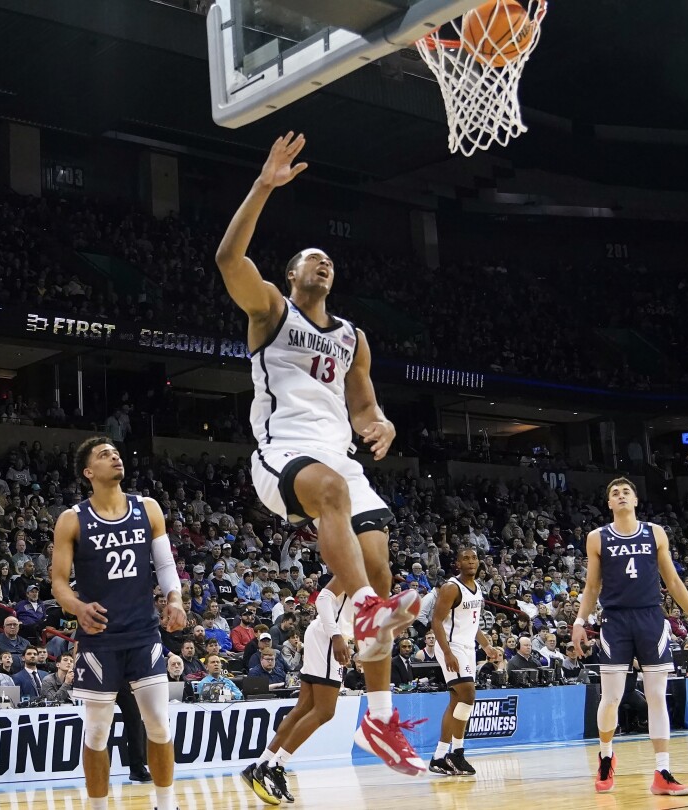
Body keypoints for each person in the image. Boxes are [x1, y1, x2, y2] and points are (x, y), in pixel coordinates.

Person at [215, 131, 423, 776]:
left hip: (340, 455)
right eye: (310, 257)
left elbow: (363, 404)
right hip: (285, 452)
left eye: (327, 258)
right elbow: (227, 257)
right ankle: (362, 610)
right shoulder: (271, 312)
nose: (321, 262)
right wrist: (264, 186)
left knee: (382, 559)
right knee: (335, 500)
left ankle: (383, 720)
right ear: (291, 275)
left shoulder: (354, 337)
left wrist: (380, 421)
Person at [50, 437, 187, 810]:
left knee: (158, 722)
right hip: (99, 640)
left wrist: (174, 599)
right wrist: (77, 607)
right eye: (103, 454)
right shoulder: (72, 519)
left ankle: (166, 803)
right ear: (88, 472)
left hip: (144, 632)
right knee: (96, 732)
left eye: (117, 452)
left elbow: (165, 566)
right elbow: (59, 582)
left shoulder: (148, 508)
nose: (115, 456)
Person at [571, 478, 688, 797]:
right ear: (608, 504)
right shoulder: (597, 538)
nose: (620, 496)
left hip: (650, 618)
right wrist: (580, 620)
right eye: (614, 494)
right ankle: (606, 756)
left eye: (625, 492)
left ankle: (662, 771)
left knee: (657, 696)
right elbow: (592, 587)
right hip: (616, 620)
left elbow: (672, 581)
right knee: (611, 697)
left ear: (635, 500)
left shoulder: (655, 533)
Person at [242, 576, 350, 805]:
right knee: (325, 711)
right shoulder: (356, 565)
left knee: (304, 708)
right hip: (328, 638)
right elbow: (322, 598)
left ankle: (261, 764)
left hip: (323, 636)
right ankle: (276, 765)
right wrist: (338, 636)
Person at [428, 547, 489, 777]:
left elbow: (472, 625)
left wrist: (486, 645)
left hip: (467, 648)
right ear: (457, 563)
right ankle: (458, 752)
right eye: (466, 558)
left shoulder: (477, 588)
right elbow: (435, 621)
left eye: (474, 558)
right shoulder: (451, 588)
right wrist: (446, 653)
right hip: (451, 648)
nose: (471, 561)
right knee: (468, 695)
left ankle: (439, 756)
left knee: (456, 700)